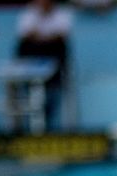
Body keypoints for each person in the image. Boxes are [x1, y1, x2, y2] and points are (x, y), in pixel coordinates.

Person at [15, 0, 73, 130]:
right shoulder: (29, 14)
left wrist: (41, 37)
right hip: (31, 59)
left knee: (56, 47)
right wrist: (44, 35)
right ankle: (25, 124)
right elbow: (26, 35)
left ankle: (47, 121)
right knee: (26, 47)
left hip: (54, 61)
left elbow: (61, 36)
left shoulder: (62, 14)